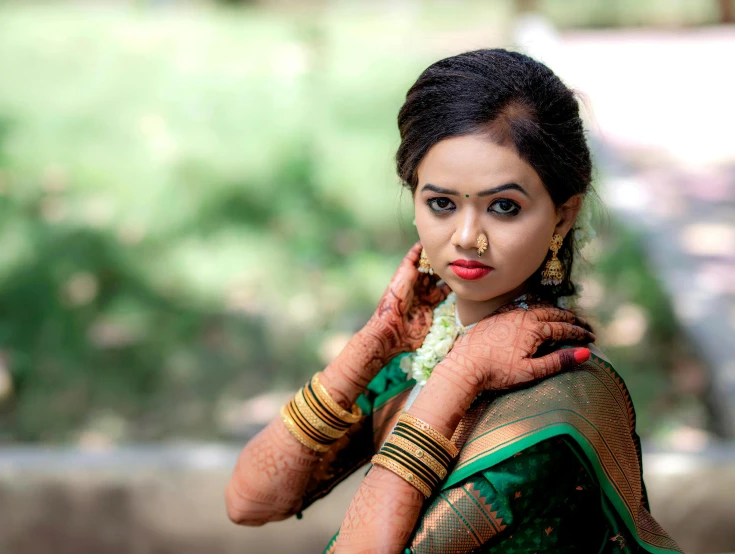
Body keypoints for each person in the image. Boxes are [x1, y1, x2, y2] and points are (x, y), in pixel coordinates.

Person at [225, 49, 683, 553]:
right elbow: (250, 501)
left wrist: (458, 380)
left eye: (503, 207)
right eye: (441, 203)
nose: (468, 237)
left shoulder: (552, 412)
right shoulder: (425, 346)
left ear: (561, 216)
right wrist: (373, 344)